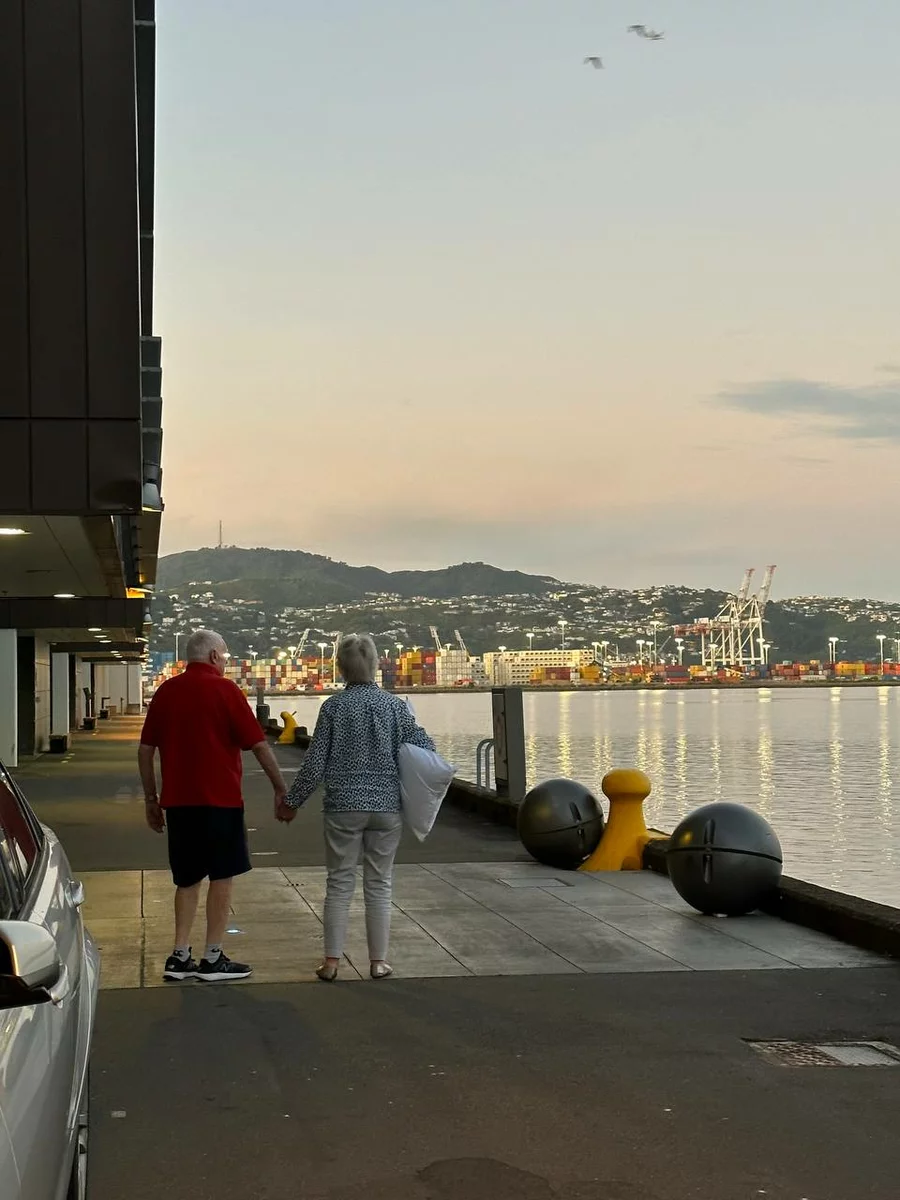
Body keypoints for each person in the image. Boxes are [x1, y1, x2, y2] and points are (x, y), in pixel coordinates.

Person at [279, 634, 435, 981]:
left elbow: (315, 764)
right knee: (379, 883)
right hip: (386, 806)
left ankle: (332, 962)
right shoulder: (394, 707)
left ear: (340, 668)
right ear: (376, 665)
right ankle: (378, 962)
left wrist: (292, 802)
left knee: (339, 882)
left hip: (343, 806)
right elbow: (426, 745)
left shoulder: (333, 707)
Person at [138, 629, 288, 983]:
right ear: (214, 657)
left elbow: (145, 750)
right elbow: (260, 746)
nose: (225, 662)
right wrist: (281, 789)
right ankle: (212, 958)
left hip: (178, 804)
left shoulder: (166, 692)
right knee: (222, 877)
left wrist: (150, 799)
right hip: (220, 803)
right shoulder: (226, 691)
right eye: (224, 656)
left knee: (187, 879)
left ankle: (179, 956)